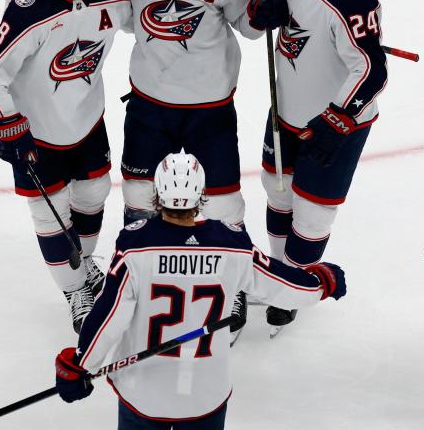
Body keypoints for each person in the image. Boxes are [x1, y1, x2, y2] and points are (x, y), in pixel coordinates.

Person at [29, 0, 289, 333]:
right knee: (137, 198)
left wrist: (262, 13)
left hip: (210, 108)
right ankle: (136, 276)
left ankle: (235, 281)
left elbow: (246, 22)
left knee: (225, 202)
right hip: (150, 105)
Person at [52, 149, 346, 429]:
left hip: (143, 394)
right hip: (205, 395)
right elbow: (281, 285)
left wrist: (80, 364)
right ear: (202, 194)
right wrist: (321, 283)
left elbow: (108, 316)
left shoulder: (135, 247)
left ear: (157, 193)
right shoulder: (233, 245)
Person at [0, 0, 132, 333]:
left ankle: (84, 268)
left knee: (94, 193)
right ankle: (75, 289)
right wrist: (8, 124)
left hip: (86, 119)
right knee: (51, 214)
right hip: (37, 131)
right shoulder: (31, 7)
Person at [254, 0, 387, 331]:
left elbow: (372, 71)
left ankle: (292, 288)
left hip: (334, 125)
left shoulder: (354, 0)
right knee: (278, 192)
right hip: (287, 111)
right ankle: (279, 272)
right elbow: (286, 2)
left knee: (311, 213)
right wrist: (267, 1)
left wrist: (337, 118)